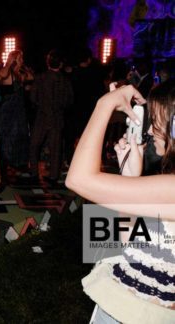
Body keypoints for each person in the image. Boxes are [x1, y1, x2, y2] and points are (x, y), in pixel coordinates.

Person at [66, 81, 175, 323]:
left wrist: (104, 105)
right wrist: (130, 179)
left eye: (156, 121)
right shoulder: (166, 183)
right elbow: (125, 241)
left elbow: (78, 179)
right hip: (122, 307)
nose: (149, 131)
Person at [29, 49, 73, 183]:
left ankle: (34, 173)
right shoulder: (65, 81)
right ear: (60, 64)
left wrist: (42, 106)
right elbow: (69, 100)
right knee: (55, 148)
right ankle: (54, 175)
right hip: (57, 117)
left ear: (48, 63)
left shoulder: (40, 78)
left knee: (34, 146)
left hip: (42, 116)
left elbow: (33, 97)